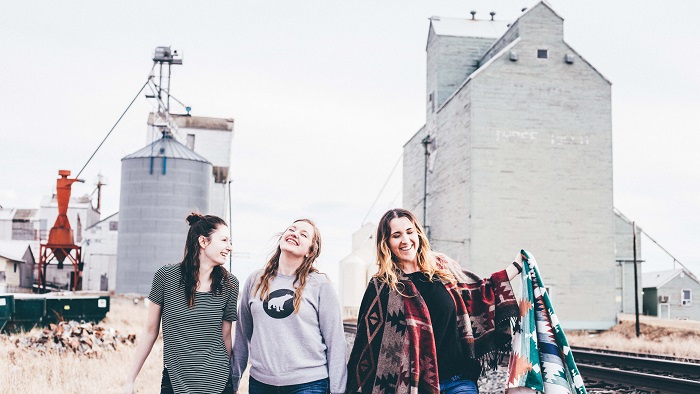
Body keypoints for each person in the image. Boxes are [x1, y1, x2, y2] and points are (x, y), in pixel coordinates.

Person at [346, 208, 521, 394]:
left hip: (458, 380)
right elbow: (368, 344)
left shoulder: (442, 268)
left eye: (409, 232)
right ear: (386, 243)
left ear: (418, 234)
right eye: (396, 235)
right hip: (414, 387)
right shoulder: (382, 286)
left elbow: (479, 291)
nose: (405, 240)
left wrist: (516, 267)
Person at [124, 213, 239, 394]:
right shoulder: (166, 277)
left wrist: (231, 382)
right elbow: (150, 331)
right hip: (176, 382)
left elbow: (226, 337)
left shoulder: (230, 284)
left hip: (218, 382)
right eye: (224, 240)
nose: (229, 247)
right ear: (203, 242)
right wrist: (130, 380)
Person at [231, 219, 347, 394]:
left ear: (310, 251)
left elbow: (336, 342)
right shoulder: (255, 280)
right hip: (261, 384)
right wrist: (234, 381)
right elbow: (242, 335)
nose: (295, 233)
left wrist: (338, 391)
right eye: (291, 229)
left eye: (303, 234)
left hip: (309, 384)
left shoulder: (320, 285)